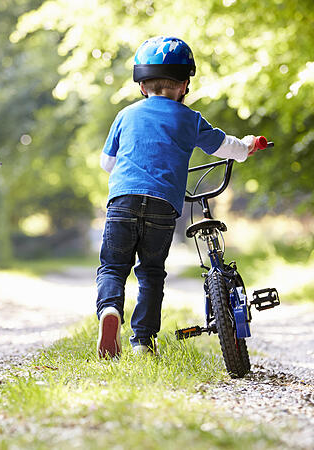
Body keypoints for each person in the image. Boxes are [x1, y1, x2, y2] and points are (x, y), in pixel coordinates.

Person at [96, 36, 260, 358]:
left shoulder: (125, 115)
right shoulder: (190, 118)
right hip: (163, 206)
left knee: (113, 267)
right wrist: (248, 146)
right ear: (184, 85)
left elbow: (107, 163)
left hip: (122, 201)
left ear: (142, 86)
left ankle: (110, 311)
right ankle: (143, 341)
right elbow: (226, 146)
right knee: (151, 272)